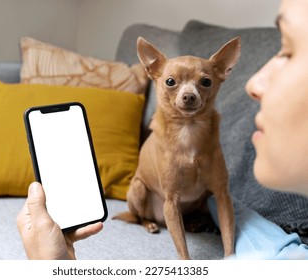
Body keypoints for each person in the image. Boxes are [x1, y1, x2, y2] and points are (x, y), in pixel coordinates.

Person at [17, 0, 308, 259]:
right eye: (172, 83)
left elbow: (221, 196)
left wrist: (229, 258)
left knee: (219, 193)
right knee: (149, 194)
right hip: (155, 197)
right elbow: (169, 200)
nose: (189, 93)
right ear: (154, 73)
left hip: (196, 199)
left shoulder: (214, 135)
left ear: (222, 73)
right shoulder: (160, 131)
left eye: (203, 82)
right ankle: (146, 221)